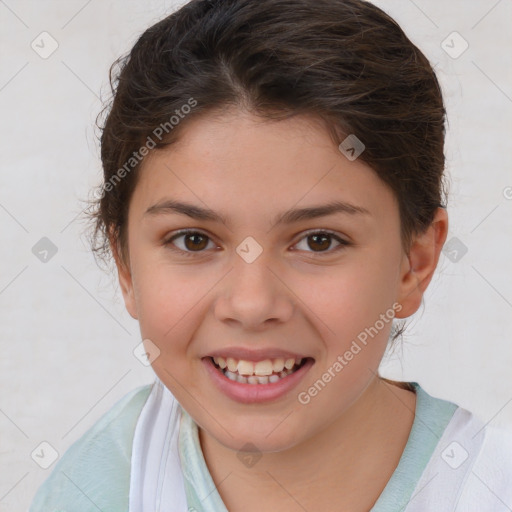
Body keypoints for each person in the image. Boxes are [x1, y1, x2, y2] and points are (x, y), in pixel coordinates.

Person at [29, 0, 512, 510]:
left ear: (414, 263)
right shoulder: (88, 492)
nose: (252, 304)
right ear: (126, 266)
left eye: (319, 241)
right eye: (193, 240)